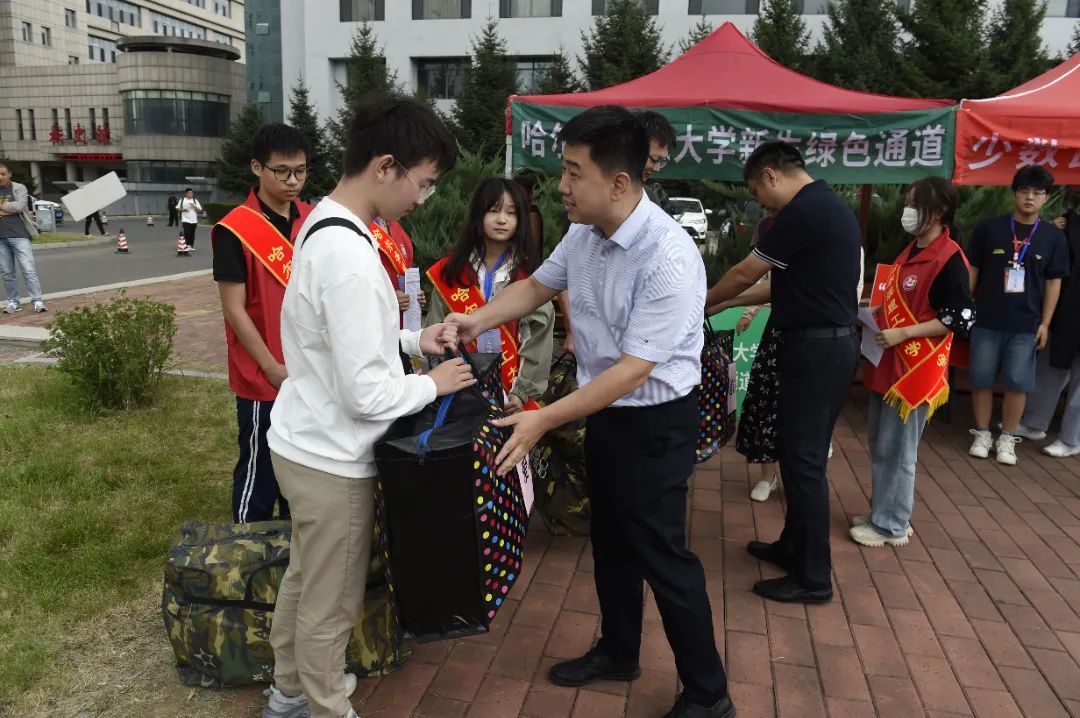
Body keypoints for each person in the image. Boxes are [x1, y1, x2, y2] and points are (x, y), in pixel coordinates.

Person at [443, 106, 734, 718]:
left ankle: (709, 694)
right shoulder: (585, 233)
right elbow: (537, 287)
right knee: (611, 539)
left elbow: (633, 370)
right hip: (606, 413)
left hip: (655, 421)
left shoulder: (668, 255)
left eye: (574, 172)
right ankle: (619, 651)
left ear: (619, 182)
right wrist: (476, 319)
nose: (562, 187)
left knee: (662, 554)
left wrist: (544, 418)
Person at [261, 95, 474, 718]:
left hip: (303, 439)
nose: (423, 198)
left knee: (306, 579)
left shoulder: (325, 224)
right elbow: (367, 395)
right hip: (334, 457)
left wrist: (411, 341)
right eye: (424, 183)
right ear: (385, 167)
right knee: (330, 601)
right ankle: (326, 706)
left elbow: (339, 337)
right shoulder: (352, 258)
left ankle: (287, 691)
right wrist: (435, 383)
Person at [705, 141, 860, 605]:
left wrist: (698, 301)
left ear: (770, 175)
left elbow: (744, 272)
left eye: (757, 191)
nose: (761, 201)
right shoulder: (822, 206)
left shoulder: (804, 211)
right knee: (797, 458)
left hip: (818, 351)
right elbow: (776, 287)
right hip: (823, 348)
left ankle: (813, 577)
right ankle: (793, 547)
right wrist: (722, 304)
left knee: (804, 463)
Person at [851, 178, 975, 547]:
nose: (907, 211)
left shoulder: (949, 258)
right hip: (888, 362)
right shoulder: (911, 250)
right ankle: (883, 512)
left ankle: (891, 525)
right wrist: (875, 311)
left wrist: (905, 333)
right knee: (882, 444)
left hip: (914, 368)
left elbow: (959, 318)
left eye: (913, 204)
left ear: (938, 212)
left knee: (899, 450)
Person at [211, 123, 315, 525]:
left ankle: (292, 542)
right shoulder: (235, 229)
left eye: (300, 171)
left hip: (309, 367)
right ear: (257, 168)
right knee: (260, 466)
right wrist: (270, 367)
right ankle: (244, 545)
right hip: (262, 372)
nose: (293, 182)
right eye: (282, 171)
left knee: (303, 466)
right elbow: (234, 309)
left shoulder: (314, 219)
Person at [967, 166, 1070, 465]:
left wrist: (1045, 323)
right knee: (981, 378)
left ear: (1046, 198)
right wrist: (965, 307)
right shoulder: (990, 228)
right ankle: (982, 433)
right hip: (987, 318)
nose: (1029, 197)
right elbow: (973, 269)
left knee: (1018, 383)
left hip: (1027, 324)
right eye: (1024, 191)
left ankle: (1007, 438)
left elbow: (1054, 282)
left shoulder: (1053, 237)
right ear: (1014, 193)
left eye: (1037, 193)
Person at [425, 177, 554, 412]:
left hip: (509, 395)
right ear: (478, 214)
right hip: (456, 391)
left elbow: (538, 338)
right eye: (493, 210)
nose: (502, 219)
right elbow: (434, 328)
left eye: (511, 213)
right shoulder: (450, 271)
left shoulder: (530, 279)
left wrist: (521, 392)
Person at [1019, 187, 1080, 458]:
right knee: (1051, 367)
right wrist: (1054, 230)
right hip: (1067, 310)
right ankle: (1034, 423)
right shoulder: (1070, 224)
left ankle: (1071, 439)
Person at [0, 162, 46, 314]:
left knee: (28, 270)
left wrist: (3, 208)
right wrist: (9, 208)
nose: (0, 177)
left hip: (19, 235)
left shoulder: (19, 188)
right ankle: (13, 302)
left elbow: (19, 206)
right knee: (7, 273)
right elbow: (13, 208)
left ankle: (37, 301)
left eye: (3, 174)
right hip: (1, 238)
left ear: (9, 174)